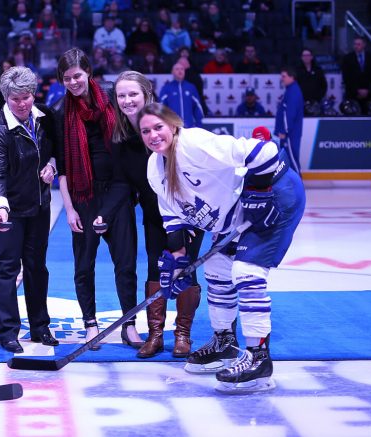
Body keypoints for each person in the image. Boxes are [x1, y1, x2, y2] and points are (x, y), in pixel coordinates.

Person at [139, 103, 305, 393]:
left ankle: (259, 358)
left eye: (158, 127)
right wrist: (179, 262)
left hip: (277, 198)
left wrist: (261, 192)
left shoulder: (194, 144)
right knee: (216, 268)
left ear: (173, 125)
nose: (153, 135)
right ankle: (225, 342)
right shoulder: (155, 168)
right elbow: (174, 221)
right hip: (236, 216)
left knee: (246, 271)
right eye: (145, 131)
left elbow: (264, 152)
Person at [52, 48, 137, 350]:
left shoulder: (114, 104)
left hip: (117, 192)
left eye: (77, 75)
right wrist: (70, 209)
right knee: (84, 265)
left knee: (125, 263)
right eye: (67, 79)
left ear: (88, 72)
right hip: (83, 196)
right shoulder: (61, 114)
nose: (73, 82)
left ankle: (130, 323)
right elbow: (62, 166)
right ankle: (91, 323)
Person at [112, 71, 202, 357]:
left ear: (147, 94)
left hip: (187, 214)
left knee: (185, 269)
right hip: (155, 215)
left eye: (133, 94)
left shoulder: (163, 124)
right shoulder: (122, 135)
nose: (127, 100)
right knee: (155, 269)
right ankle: (156, 335)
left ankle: (183, 335)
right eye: (122, 95)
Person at [0, 66, 59, 353]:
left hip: (39, 206)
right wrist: (0, 207)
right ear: (6, 97)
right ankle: (8, 332)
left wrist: (51, 165)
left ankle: (40, 327)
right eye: (15, 99)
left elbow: (54, 149)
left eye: (26, 97)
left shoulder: (44, 118)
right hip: (8, 211)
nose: (22, 104)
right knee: (7, 268)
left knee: (37, 268)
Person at [274, 66, 304, 174]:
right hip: (289, 133)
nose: (282, 79)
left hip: (290, 134)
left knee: (292, 159)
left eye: (284, 76)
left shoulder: (293, 92)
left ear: (292, 77)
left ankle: (299, 184)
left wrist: (284, 131)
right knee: (288, 159)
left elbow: (289, 114)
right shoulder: (291, 90)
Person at [158, 62, 205, 128]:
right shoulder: (166, 88)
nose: (180, 71)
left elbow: (198, 107)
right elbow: (160, 107)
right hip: (172, 127)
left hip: (189, 127)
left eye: (182, 69)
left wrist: (199, 124)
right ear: (172, 72)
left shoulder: (191, 87)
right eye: (177, 69)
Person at [340, 37, 371, 112]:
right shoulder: (347, 58)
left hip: (368, 95)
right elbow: (346, 77)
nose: (356, 46)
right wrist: (357, 90)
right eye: (355, 44)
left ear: (364, 45)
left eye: (358, 44)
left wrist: (367, 90)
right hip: (352, 94)